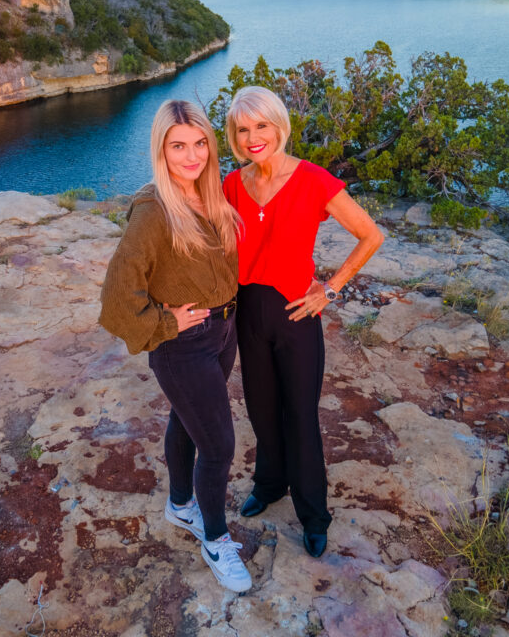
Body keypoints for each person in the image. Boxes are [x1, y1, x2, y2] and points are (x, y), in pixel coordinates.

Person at [222, 86, 384, 558]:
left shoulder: (314, 180)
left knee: (301, 418)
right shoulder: (233, 183)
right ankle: (270, 485)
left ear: (279, 126)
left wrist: (329, 290)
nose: (254, 137)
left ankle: (314, 514)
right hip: (247, 313)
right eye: (243, 129)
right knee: (261, 411)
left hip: (296, 317)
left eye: (262, 126)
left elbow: (370, 235)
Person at [99, 99, 252, 593]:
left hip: (223, 330)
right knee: (220, 443)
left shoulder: (213, 194)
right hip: (182, 342)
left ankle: (180, 505)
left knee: (186, 421)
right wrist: (165, 321)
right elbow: (119, 295)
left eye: (200, 143)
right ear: (160, 150)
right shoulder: (154, 208)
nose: (191, 156)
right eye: (177, 146)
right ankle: (214, 538)